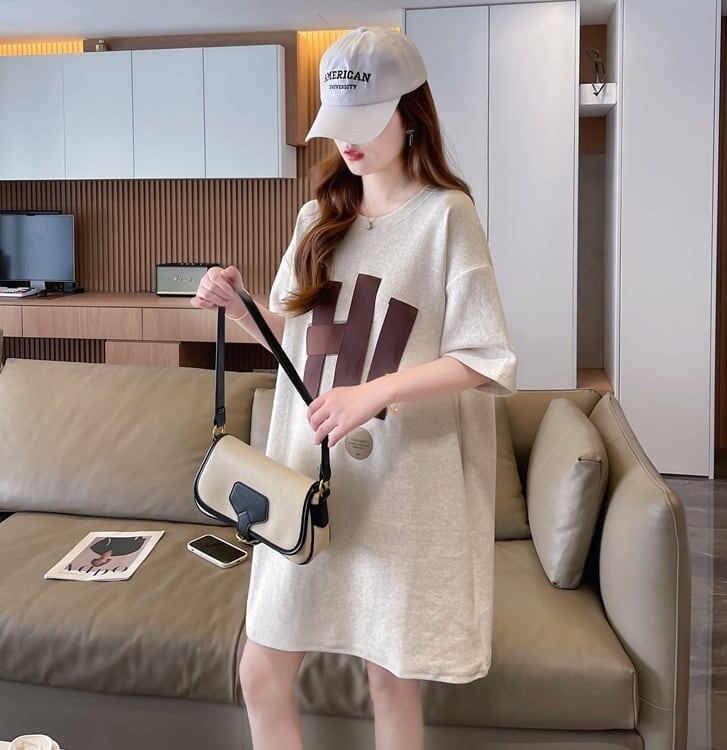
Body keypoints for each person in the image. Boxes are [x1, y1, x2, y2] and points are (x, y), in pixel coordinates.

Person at [190, 25, 518, 750]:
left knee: (389, 680)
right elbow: (295, 347)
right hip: (307, 478)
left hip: (401, 486)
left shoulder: (447, 217)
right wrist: (239, 307)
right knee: (261, 670)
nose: (349, 141)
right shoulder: (318, 218)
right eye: (340, 123)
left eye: (366, 121)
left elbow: (486, 358)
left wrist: (376, 393)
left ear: (411, 114)